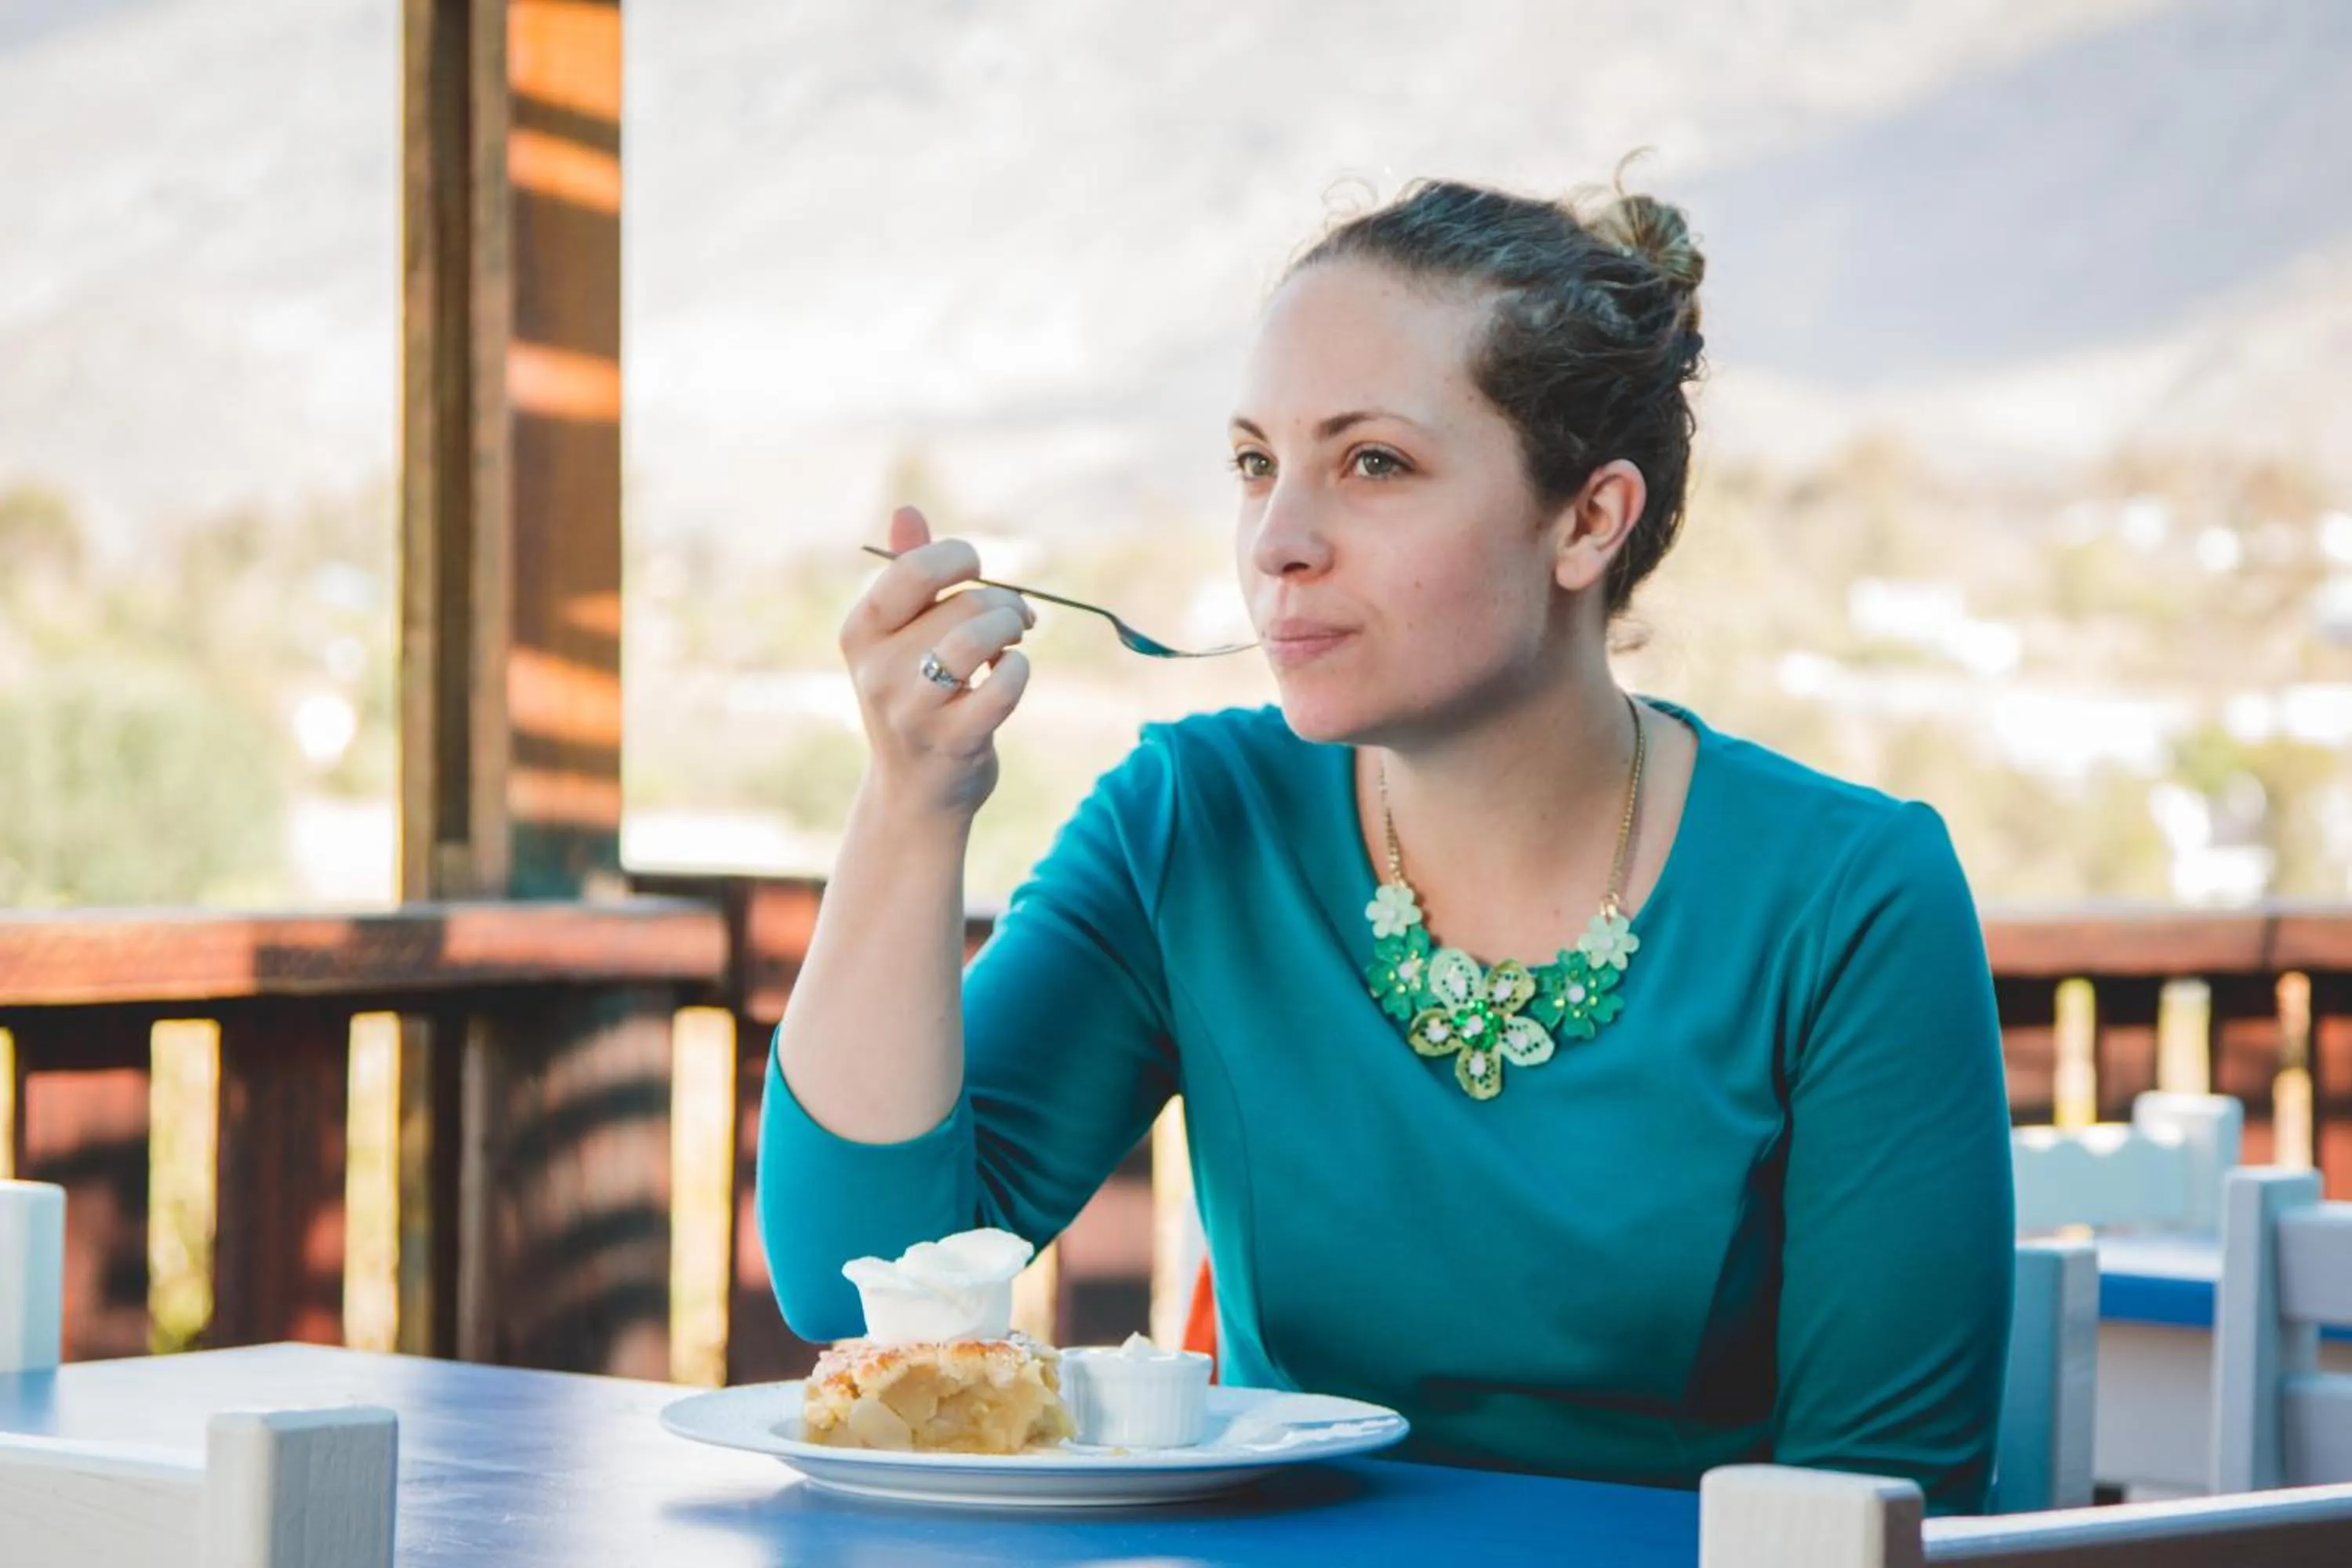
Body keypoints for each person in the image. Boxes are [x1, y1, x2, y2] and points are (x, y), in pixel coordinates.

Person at [756, 176, 2014, 1513]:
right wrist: (909, 806)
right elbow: (864, 1270)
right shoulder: (1192, 821)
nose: (1278, 542)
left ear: (1590, 519)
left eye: (1373, 464)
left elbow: (1879, 1504)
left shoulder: (1851, 898)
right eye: (1257, 464)